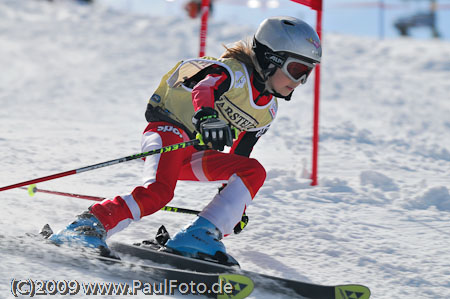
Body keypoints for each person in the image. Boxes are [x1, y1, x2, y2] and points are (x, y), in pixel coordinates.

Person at [49, 16, 322, 265]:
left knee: (252, 171)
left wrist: (231, 206)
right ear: (270, 58)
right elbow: (204, 87)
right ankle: (87, 227)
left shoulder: (268, 111)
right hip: (169, 132)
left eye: (307, 73)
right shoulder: (233, 73)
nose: (300, 80)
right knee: (159, 193)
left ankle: (199, 235)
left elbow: (240, 157)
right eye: (296, 69)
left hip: (191, 155)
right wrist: (206, 116)